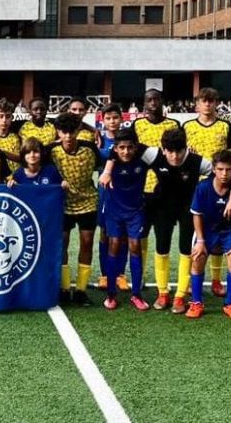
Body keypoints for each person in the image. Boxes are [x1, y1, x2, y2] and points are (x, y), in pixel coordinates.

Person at [140, 128, 215, 313]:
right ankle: (163, 292)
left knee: (185, 249)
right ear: (163, 149)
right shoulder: (152, 154)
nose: (174, 157)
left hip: (188, 210)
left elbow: (221, 174)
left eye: (179, 152)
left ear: (186, 148)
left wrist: (204, 192)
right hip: (162, 208)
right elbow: (124, 151)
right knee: (161, 247)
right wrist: (109, 170)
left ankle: (180, 296)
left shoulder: (198, 162)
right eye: (170, 152)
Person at [183, 87, 231, 297]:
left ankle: (216, 280)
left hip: (221, 186)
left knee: (219, 230)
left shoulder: (225, 126)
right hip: (195, 187)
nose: (207, 104)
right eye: (203, 101)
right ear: (197, 104)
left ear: (216, 103)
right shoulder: (187, 126)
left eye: (211, 101)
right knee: (195, 234)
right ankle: (192, 277)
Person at [185, 151, 231, 320]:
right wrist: (200, 240)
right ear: (213, 169)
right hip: (207, 228)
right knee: (198, 256)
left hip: (230, 229)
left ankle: (230, 304)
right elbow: (196, 214)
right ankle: (197, 302)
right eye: (220, 169)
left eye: (228, 169)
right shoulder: (203, 187)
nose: (224, 174)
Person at [131, 89, 181, 300]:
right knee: (140, 237)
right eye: (148, 100)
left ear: (162, 101)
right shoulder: (137, 125)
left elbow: (180, 155)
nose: (153, 103)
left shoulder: (173, 125)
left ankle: (163, 288)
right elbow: (130, 153)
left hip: (166, 192)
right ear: (144, 104)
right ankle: (139, 277)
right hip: (141, 190)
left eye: (156, 99)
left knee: (163, 239)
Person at [48, 113, 100, 307]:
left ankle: (80, 290)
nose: (68, 136)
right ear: (58, 132)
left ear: (78, 131)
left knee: (87, 243)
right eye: (64, 132)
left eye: (72, 131)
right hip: (61, 204)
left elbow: (109, 160)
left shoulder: (90, 149)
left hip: (88, 202)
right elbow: (28, 159)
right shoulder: (51, 151)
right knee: (62, 244)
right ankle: (63, 288)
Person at [98, 128, 150, 311]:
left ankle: (136, 294)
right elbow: (94, 150)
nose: (126, 151)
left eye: (129, 147)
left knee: (135, 246)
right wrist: (107, 168)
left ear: (135, 147)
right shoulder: (108, 158)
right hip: (113, 210)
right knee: (114, 245)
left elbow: (162, 156)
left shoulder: (143, 159)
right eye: (122, 148)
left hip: (135, 211)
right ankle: (111, 294)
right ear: (116, 148)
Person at [95, 104, 129, 292]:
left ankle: (121, 274)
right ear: (103, 120)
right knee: (105, 233)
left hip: (125, 191)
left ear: (121, 118)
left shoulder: (127, 139)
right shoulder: (98, 140)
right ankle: (105, 274)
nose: (112, 121)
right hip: (106, 193)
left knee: (122, 234)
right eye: (108, 118)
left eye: (115, 117)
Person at [0, 98, 22, 171]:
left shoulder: (18, 136)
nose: (4, 120)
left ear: (12, 118)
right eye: (1, 116)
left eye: (8, 116)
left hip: (16, 179)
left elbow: (23, 159)